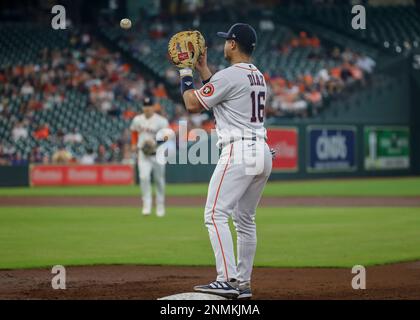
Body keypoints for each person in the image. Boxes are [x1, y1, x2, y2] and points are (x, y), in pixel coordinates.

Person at [178, 23, 273, 299]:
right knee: (245, 220)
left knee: (215, 214)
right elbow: (224, 97)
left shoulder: (230, 75)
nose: (223, 44)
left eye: (226, 40)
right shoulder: (258, 76)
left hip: (239, 151)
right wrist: (204, 71)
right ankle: (242, 283)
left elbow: (192, 104)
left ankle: (228, 280)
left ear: (232, 44)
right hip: (261, 151)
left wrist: (185, 72)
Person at [130, 96, 169, 217]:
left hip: (158, 154)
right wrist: (133, 143)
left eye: (149, 106)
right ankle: (146, 205)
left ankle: (160, 205)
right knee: (144, 178)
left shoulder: (161, 121)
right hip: (143, 154)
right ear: (142, 107)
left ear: (153, 107)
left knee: (159, 180)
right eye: (145, 106)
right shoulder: (137, 120)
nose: (147, 108)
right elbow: (134, 132)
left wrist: (156, 143)